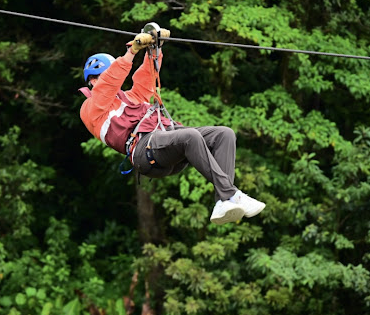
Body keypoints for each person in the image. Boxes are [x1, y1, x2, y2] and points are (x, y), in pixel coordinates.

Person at [79, 28, 265, 224]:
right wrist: (131, 52)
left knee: (224, 134)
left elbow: (146, 77)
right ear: (93, 81)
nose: (112, 81)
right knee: (191, 136)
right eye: (104, 76)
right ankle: (231, 194)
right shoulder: (91, 109)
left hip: (165, 141)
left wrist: (155, 48)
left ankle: (224, 200)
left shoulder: (130, 98)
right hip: (144, 150)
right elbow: (108, 84)